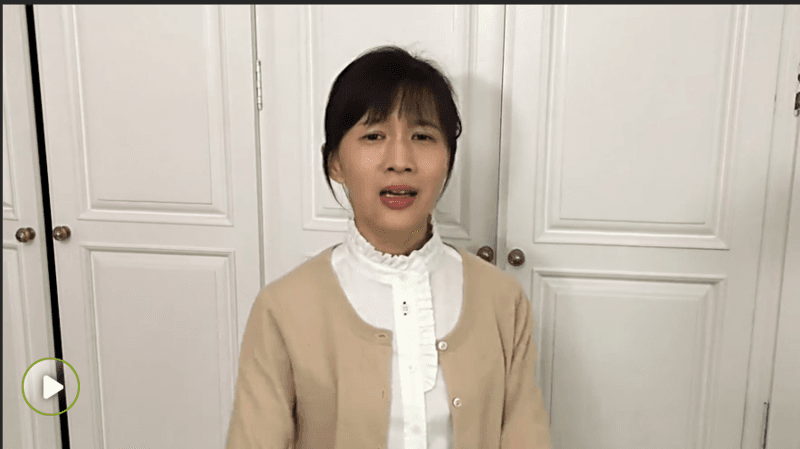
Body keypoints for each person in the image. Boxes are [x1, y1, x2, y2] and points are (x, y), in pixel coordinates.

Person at [226, 45, 551, 449]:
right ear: (335, 162)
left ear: (448, 160)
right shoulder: (283, 308)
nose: (400, 160)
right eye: (374, 136)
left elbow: (526, 435)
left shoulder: (502, 300)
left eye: (422, 136)